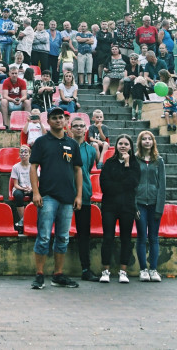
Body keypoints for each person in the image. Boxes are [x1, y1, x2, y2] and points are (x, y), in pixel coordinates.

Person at [28, 107, 83, 290]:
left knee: (63, 237)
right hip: (48, 196)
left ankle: (58, 274)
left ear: (65, 121)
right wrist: (36, 193)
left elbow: (78, 170)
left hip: (68, 198)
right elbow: (33, 167)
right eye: (54, 118)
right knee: (43, 237)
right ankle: (39, 274)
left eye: (61, 117)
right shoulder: (41, 142)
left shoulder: (73, 144)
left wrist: (79, 195)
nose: (59, 120)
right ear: (48, 121)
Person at [98, 134, 140, 284]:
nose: (123, 146)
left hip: (127, 207)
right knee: (108, 237)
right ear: (116, 146)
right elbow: (104, 185)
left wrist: (127, 164)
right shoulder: (109, 163)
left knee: (126, 238)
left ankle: (123, 271)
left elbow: (133, 183)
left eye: (126, 144)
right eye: (120, 143)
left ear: (130, 147)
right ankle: (106, 271)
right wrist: (122, 186)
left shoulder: (134, 164)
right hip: (109, 206)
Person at [68, 117, 101, 282]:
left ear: (86, 129)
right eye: (76, 126)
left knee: (84, 234)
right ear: (71, 128)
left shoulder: (91, 150)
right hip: (66, 194)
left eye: (82, 126)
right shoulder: (66, 146)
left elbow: (86, 171)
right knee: (61, 232)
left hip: (85, 194)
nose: (79, 129)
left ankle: (86, 269)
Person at [135, 129, 166, 282]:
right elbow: (132, 184)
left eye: (150, 139)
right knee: (141, 237)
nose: (147, 141)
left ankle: (153, 269)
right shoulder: (135, 159)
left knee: (153, 237)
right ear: (140, 142)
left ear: (153, 142)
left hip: (154, 203)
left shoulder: (159, 160)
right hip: (139, 203)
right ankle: (143, 270)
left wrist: (160, 208)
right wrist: (134, 206)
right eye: (144, 139)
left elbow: (162, 186)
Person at [9, 145, 33, 228]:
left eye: (26, 152)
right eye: (21, 152)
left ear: (30, 154)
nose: (23, 154)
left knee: (38, 194)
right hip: (19, 188)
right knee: (18, 195)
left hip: (31, 188)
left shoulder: (33, 166)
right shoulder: (15, 167)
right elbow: (15, 184)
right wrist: (23, 189)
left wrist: (32, 189)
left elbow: (36, 182)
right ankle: (23, 219)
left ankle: (30, 218)